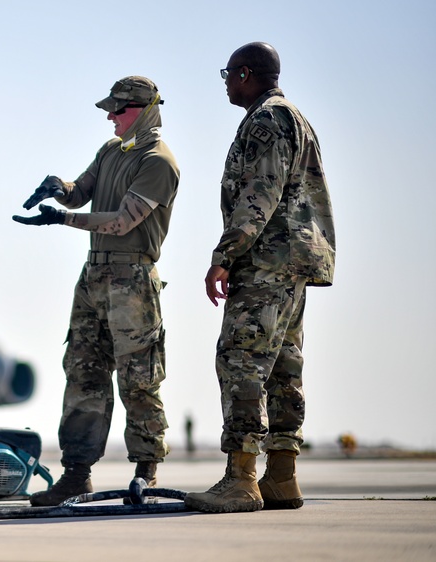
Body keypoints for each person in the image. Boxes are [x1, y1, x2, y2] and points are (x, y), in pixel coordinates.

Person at [13, 76, 180, 506]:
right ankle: (76, 474)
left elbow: (123, 221)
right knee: (83, 371)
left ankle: (146, 472)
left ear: (143, 110)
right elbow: (81, 193)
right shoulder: (111, 151)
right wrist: (60, 188)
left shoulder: (158, 161)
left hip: (132, 281)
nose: (110, 116)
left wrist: (61, 220)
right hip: (94, 278)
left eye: (118, 109)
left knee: (138, 378)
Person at [184, 43, 335, 513]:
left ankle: (241, 478)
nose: (226, 82)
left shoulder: (267, 120)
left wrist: (225, 254)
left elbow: (260, 193)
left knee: (241, 359)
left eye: (229, 74)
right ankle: (282, 477)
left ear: (246, 74)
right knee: (284, 366)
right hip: (294, 261)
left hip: (266, 261)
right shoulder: (296, 118)